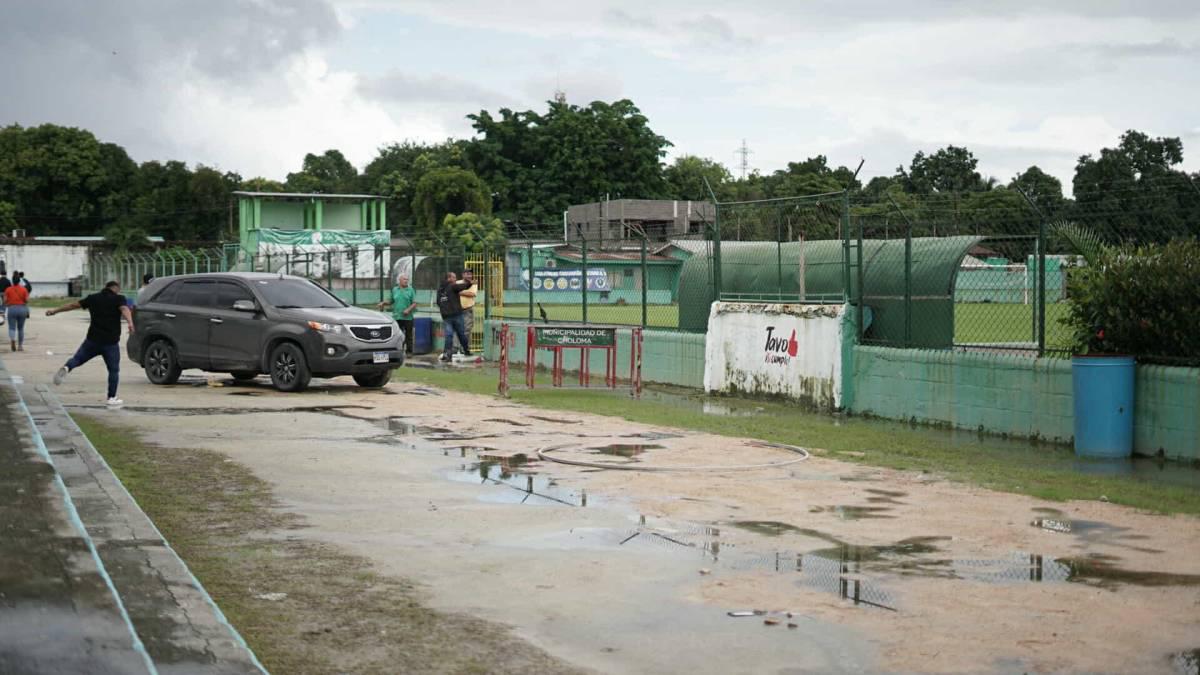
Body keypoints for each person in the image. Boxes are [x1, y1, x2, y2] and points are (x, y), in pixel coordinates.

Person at [47, 280, 135, 407]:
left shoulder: (93, 298)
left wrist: (55, 310)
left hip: (92, 340)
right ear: (115, 288)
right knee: (113, 370)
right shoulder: (119, 298)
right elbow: (124, 309)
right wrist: (130, 323)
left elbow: (73, 305)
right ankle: (111, 397)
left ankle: (67, 367)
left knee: (77, 359)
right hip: (110, 342)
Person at [435, 272, 470, 362]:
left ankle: (462, 351)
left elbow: (439, 303)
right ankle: (451, 353)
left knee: (452, 335)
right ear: (449, 278)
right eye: (454, 277)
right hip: (454, 316)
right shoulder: (452, 286)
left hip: (448, 316)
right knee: (455, 334)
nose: (455, 279)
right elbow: (463, 286)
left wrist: (445, 309)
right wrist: (469, 282)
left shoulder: (441, 289)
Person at [378, 274, 417, 354]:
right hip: (397, 316)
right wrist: (383, 303)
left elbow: (414, 303)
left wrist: (408, 310)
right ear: (399, 280)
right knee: (397, 336)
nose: (406, 281)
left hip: (408, 317)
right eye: (404, 279)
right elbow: (391, 301)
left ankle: (409, 352)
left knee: (409, 336)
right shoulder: (395, 289)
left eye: (407, 279)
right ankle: (398, 351)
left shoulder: (411, 290)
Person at [4, 276, 29, 351]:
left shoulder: (8, 289)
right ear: (19, 281)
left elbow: (5, 301)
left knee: (12, 327)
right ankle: (20, 346)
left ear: (12, 281)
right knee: (20, 328)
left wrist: (8, 303)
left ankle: (12, 339)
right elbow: (27, 300)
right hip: (22, 309)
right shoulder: (24, 289)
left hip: (12, 309)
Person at [458, 269, 478, 350]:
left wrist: (459, 292)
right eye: (467, 274)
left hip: (468, 310)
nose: (469, 276)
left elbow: (472, 294)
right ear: (463, 275)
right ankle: (457, 348)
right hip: (458, 310)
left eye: (470, 274)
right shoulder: (457, 282)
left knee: (467, 330)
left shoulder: (473, 283)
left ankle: (465, 348)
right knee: (458, 329)